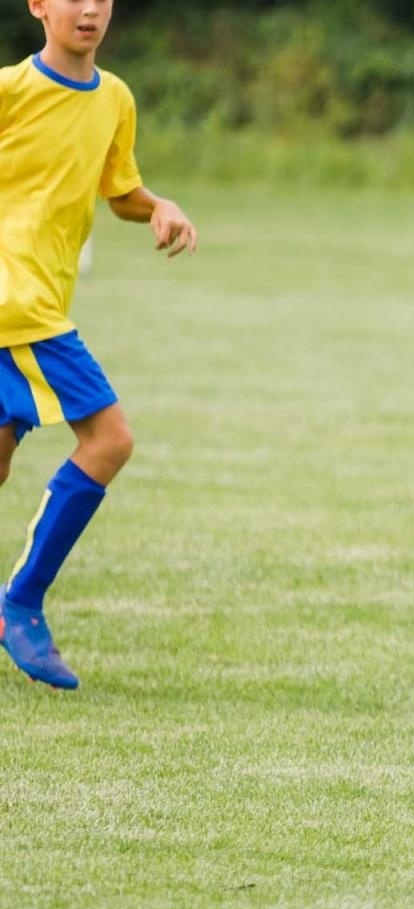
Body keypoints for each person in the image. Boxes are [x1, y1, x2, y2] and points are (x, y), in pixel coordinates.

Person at [0, 0, 198, 689]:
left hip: (39, 304)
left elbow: (119, 192)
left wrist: (158, 205)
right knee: (110, 438)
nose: (89, 8)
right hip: (15, 305)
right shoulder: (9, 91)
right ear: (37, 6)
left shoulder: (114, 98)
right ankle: (19, 602)